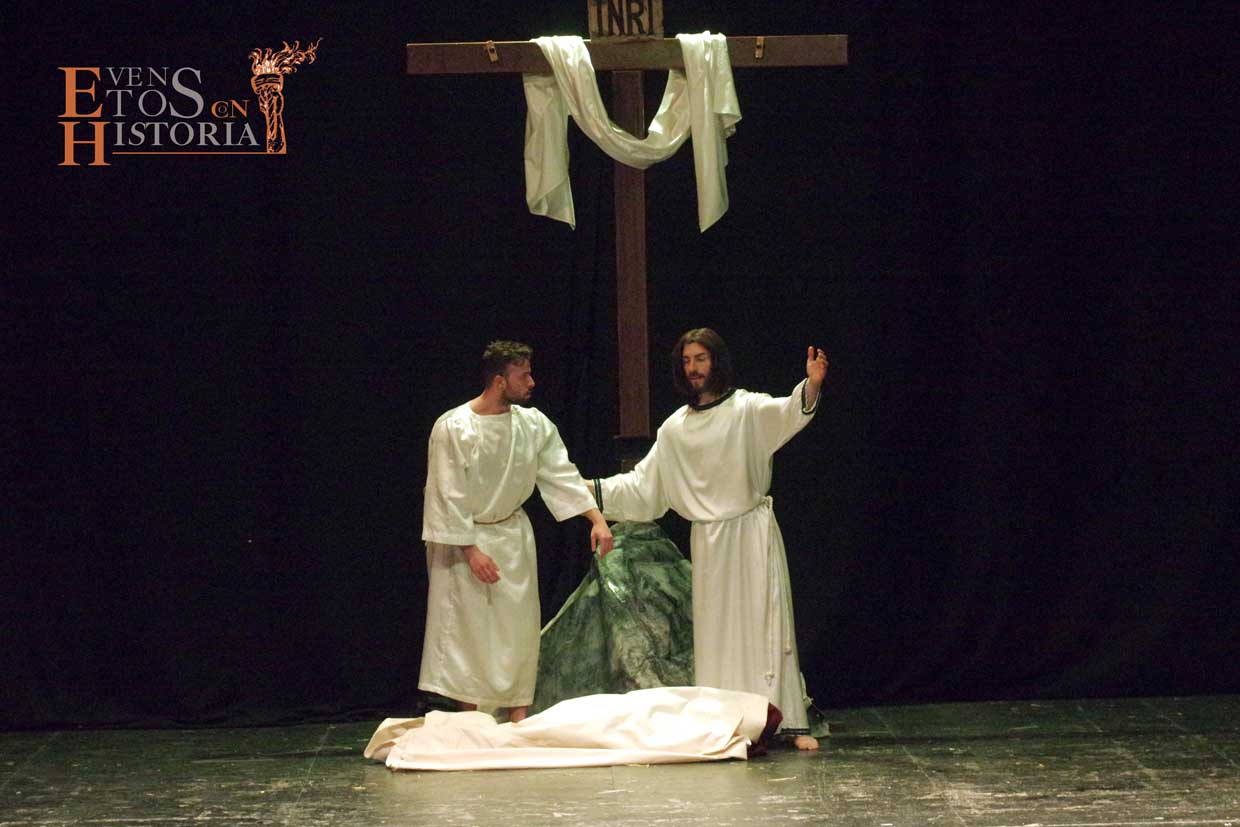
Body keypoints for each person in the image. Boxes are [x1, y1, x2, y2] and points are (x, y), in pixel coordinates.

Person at [591, 328, 828, 750]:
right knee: (719, 637)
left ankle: (786, 720)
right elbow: (643, 487)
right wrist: (586, 493)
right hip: (710, 543)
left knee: (765, 625)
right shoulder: (675, 429)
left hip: (750, 533)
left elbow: (787, 412)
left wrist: (811, 384)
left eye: (700, 358)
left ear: (716, 361)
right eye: (686, 361)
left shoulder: (745, 409)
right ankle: (727, 718)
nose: (693, 368)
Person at [419, 340, 613, 723]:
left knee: (517, 631)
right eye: (523, 376)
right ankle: (471, 720)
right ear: (499, 381)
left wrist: (596, 519)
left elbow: (560, 473)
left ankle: (517, 716)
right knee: (469, 634)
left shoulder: (532, 424)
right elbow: (446, 492)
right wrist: (470, 551)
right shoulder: (454, 427)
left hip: (511, 536)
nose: (532, 382)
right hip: (464, 539)